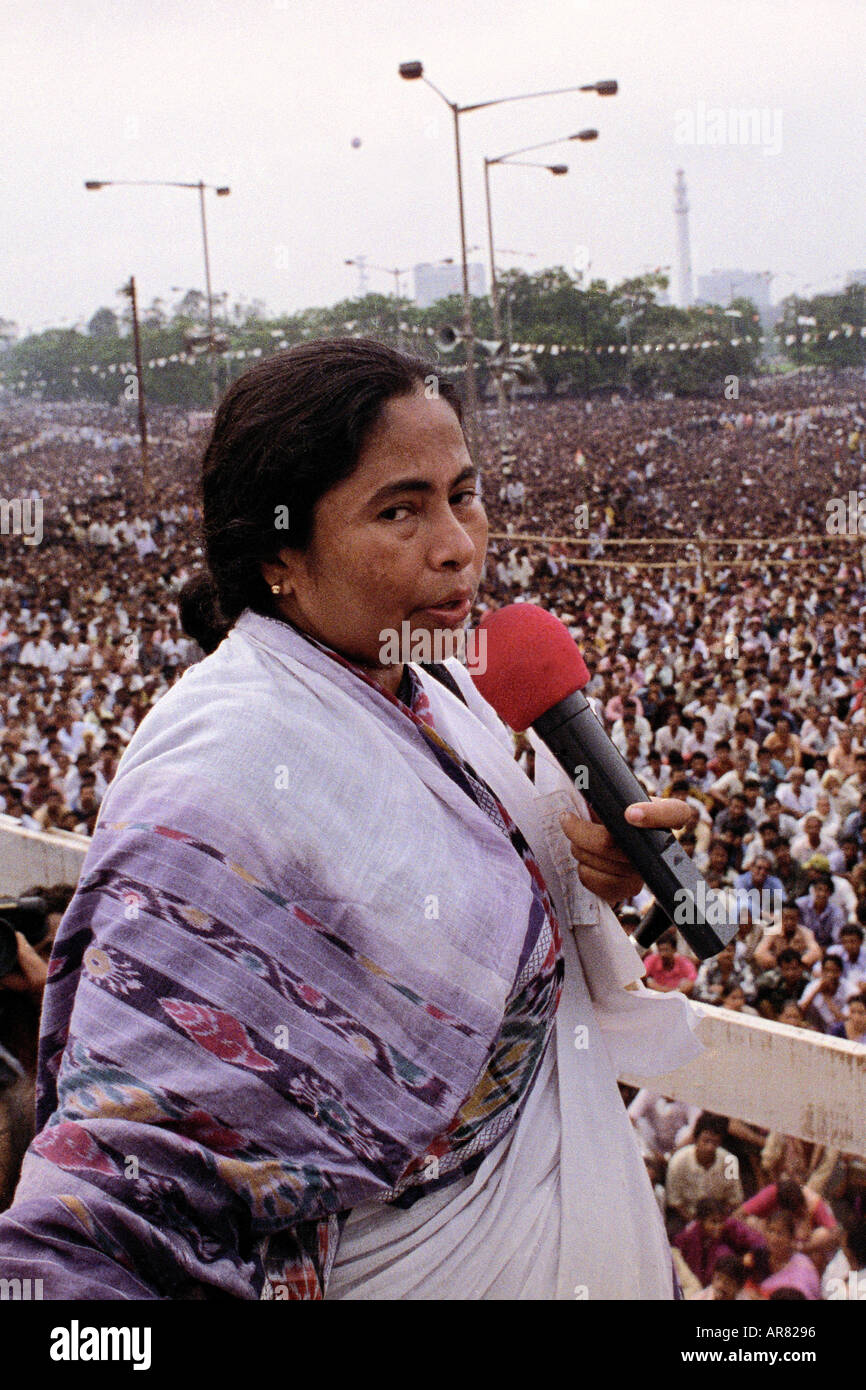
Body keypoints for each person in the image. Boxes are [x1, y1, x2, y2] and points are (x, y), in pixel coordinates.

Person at [0, 339, 701, 1301]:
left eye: (464, 493)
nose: (457, 543)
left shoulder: (437, 683)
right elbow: (121, 1186)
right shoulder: (222, 770)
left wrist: (580, 864)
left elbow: (468, 927)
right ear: (279, 554)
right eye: (400, 509)